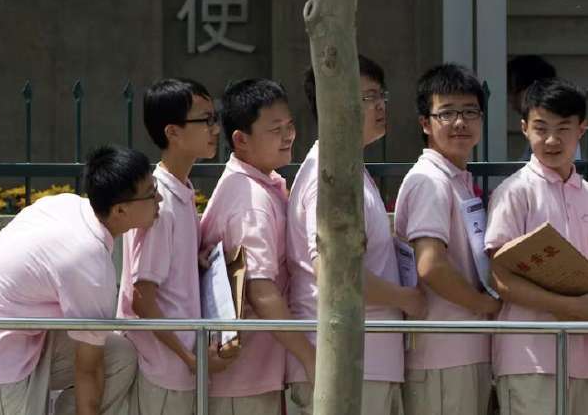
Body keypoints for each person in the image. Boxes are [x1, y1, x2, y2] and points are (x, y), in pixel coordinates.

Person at [0, 145, 152, 415]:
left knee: (118, 357)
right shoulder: (88, 261)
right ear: (120, 210)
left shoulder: (67, 204)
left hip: (11, 337)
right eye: (152, 194)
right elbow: (89, 369)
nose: (160, 200)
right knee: (96, 362)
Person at [287, 57, 427, 415]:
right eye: (366, 97)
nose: (379, 105)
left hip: (366, 361)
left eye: (380, 94)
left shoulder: (348, 168)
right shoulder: (330, 177)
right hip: (347, 364)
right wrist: (405, 298)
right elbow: (332, 273)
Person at [118, 79, 234, 415]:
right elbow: (142, 297)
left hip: (178, 369)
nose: (215, 129)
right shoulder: (160, 201)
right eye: (205, 120)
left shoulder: (179, 189)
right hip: (163, 370)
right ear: (173, 132)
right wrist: (188, 358)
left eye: (216, 118)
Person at [200, 79, 311, 415]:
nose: (288, 135)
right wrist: (312, 358)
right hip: (243, 380)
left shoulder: (259, 184)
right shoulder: (250, 201)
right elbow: (261, 292)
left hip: (254, 374)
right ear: (240, 139)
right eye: (275, 128)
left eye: (290, 125)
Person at [393, 64, 498, 415]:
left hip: (462, 349)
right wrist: (485, 306)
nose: (460, 122)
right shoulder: (430, 181)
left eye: (470, 112)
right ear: (425, 123)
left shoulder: (456, 178)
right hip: (441, 353)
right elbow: (430, 265)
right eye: (447, 113)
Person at [486, 79, 588, 412]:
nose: (552, 140)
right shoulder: (513, 192)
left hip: (582, 361)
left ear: (581, 129)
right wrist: (572, 309)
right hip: (529, 358)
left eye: (563, 128)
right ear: (524, 128)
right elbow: (499, 278)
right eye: (541, 128)